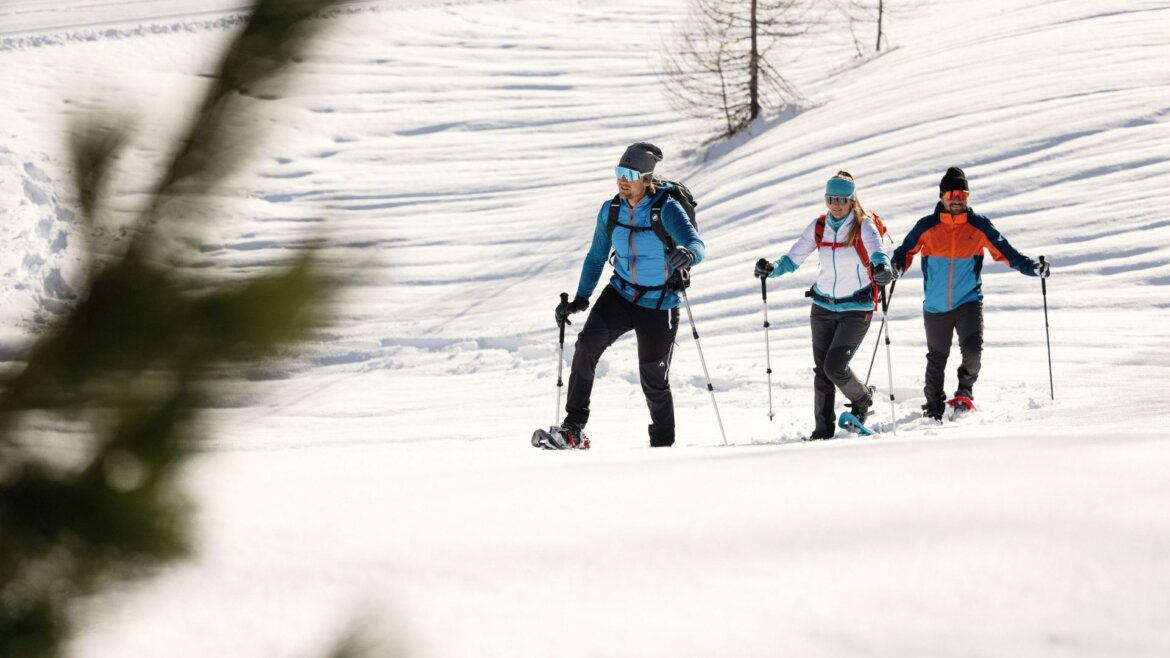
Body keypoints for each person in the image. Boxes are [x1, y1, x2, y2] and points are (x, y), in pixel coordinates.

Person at [540, 142, 705, 450]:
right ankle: (573, 427)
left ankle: (663, 445)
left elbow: (696, 244)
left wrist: (688, 255)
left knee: (653, 379)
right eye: (619, 172)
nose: (622, 180)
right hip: (620, 292)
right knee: (586, 346)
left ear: (646, 179)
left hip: (659, 302)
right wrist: (580, 299)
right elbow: (595, 257)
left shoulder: (666, 209)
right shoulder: (611, 210)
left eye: (629, 174)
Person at [889, 166, 1050, 421]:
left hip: (968, 302)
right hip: (935, 305)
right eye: (952, 194)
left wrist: (1032, 267)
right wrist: (895, 267)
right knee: (937, 358)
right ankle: (934, 406)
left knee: (973, 351)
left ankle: (964, 392)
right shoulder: (927, 226)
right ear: (942, 196)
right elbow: (904, 251)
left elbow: (1006, 252)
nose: (957, 200)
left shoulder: (978, 226)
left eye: (962, 195)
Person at [754, 171, 893, 440]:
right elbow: (793, 258)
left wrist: (882, 269)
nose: (835, 204)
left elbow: (878, 253)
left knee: (835, 367)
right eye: (831, 198)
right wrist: (771, 268)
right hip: (822, 308)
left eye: (841, 198)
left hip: (856, 308)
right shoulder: (819, 226)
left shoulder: (863, 226)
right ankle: (822, 431)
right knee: (822, 372)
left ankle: (862, 398)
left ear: (852, 200)